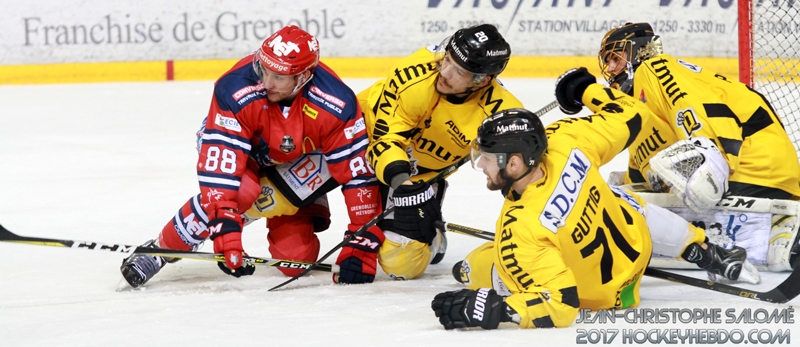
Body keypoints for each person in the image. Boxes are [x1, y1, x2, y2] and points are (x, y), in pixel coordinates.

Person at [430, 69, 759, 330]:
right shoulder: (566, 139)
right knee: (617, 197)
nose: (480, 165)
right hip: (636, 245)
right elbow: (633, 114)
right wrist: (583, 88)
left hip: (609, 296)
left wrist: (498, 310)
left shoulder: (517, 230)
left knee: (470, 269)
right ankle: (706, 250)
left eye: (486, 157)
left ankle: (496, 274)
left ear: (514, 163)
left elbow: (561, 305)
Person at [119, 25, 384, 288]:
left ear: (303, 77)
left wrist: (361, 243)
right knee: (242, 192)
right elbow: (222, 167)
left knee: (295, 260)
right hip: (242, 153)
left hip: (296, 161)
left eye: (278, 77)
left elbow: (358, 175)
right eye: (263, 69)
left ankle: (284, 200)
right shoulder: (234, 88)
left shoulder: (336, 104)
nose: (266, 82)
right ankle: (159, 250)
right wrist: (225, 227)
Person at [597, 22, 800, 269]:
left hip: (756, 163)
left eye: (615, 58)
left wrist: (710, 155)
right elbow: (646, 164)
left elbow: (698, 109)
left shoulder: (654, 68)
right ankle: (765, 232)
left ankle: (777, 226)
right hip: (754, 170)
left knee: (681, 176)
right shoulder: (640, 106)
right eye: (607, 61)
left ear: (638, 52)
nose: (609, 68)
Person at [357, 24, 524, 281]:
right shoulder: (412, 78)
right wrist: (402, 184)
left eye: (458, 71)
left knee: (400, 265)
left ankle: (430, 226)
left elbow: (522, 173)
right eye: (446, 59)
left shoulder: (499, 113)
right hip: (358, 139)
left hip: (419, 172)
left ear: (483, 80)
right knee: (278, 197)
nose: (443, 73)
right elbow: (385, 141)